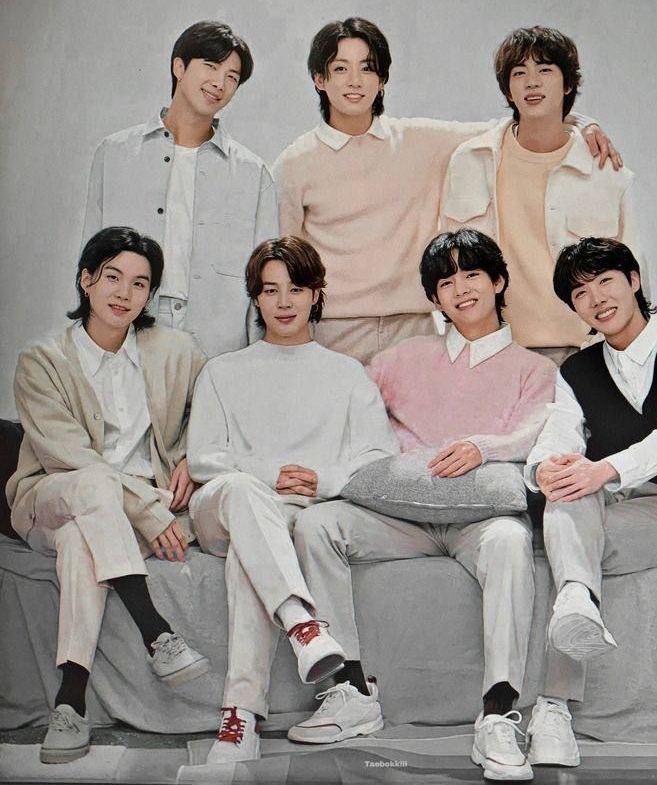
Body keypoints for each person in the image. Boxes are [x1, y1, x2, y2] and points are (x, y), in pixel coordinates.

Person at [291, 229, 557, 781]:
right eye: (446, 282)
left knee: (511, 540)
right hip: (398, 518)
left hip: (481, 522)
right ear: (435, 298)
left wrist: (483, 447)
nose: (461, 289)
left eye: (472, 274)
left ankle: (498, 714)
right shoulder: (400, 358)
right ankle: (351, 694)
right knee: (317, 524)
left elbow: (536, 433)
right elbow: (344, 416)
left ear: (498, 281)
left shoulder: (535, 369)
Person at [274, 17, 619, 364]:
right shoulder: (295, 162)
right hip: (332, 330)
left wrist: (583, 123)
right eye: (340, 68)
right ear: (319, 79)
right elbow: (282, 263)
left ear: (382, 79)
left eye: (367, 68)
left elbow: (518, 124)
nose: (355, 81)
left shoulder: (419, 141)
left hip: (415, 328)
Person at [186, 235, 399, 764]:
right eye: (270, 290)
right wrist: (268, 474)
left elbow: (378, 456)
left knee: (250, 553)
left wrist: (323, 480)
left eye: (296, 289)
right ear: (256, 298)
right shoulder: (222, 371)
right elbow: (204, 459)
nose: (283, 302)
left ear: (316, 294)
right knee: (242, 492)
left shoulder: (347, 374)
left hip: (285, 521)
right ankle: (303, 624)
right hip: (222, 508)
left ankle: (241, 718)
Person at [524, 237, 657, 769]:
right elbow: (559, 434)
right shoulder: (577, 370)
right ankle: (576, 603)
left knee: (570, 546)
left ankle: (553, 707)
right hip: (603, 500)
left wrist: (601, 470)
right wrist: (544, 466)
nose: (596, 298)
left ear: (634, 280)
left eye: (606, 281)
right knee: (566, 494)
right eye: (580, 293)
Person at [6, 227, 210, 764]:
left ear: (151, 294)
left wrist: (192, 455)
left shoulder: (176, 351)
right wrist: (148, 512)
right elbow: (70, 455)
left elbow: (212, 413)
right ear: (86, 280)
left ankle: (70, 702)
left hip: (114, 518)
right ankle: (156, 631)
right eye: (112, 277)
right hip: (53, 497)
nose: (124, 293)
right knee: (94, 484)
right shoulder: (42, 360)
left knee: (82, 541)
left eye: (140, 283)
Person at [442, 26, 637, 366]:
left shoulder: (605, 171)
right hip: (495, 351)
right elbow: (447, 261)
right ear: (508, 89)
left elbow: (633, 272)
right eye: (519, 73)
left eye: (545, 70)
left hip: (587, 352)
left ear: (567, 84)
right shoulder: (471, 159)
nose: (532, 82)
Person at [82, 20, 277, 357]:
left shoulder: (253, 172)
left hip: (217, 341)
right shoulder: (115, 154)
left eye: (232, 77)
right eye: (211, 66)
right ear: (179, 67)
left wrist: (256, 360)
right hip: (128, 331)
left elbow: (265, 276)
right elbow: (91, 256)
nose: (219, 83)